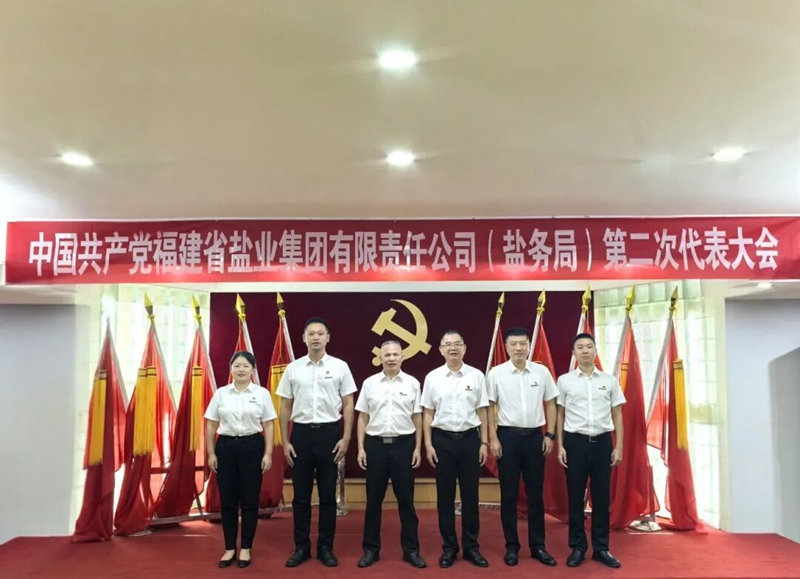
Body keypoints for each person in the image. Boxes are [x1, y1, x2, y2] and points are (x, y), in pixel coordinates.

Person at [277, 317, 357, 568]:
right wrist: (285, 440)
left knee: (327, 496)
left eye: (320, 333)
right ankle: (301, 547)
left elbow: (348, 404)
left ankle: (325, 547)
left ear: (327, 338)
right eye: (311, 333)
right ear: (304, 338)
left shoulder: (340, 367)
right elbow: (285, 405)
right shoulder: (293, 368)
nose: (315, 337)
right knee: (300, 495)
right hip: (300, 435)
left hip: (329, 435)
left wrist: (346, 437)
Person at [487, 327, 558, 567]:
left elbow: (551, 404)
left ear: (529, 345)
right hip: (507, 438)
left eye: (522, 343)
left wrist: (550, 435)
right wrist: (493, 438)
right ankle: (512, 546)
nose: (518, 348)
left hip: (535, 438)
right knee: (508, 495)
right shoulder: (496, 373)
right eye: (513, 344)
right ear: (506, 347)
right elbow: (488, 408)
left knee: (536, 494)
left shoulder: (541, 372)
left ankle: (538, 546)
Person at [421, 330, 490, 569]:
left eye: (457, 344)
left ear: (464, 348)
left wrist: (484, 443)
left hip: (470, 440)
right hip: (442, 441)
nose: (453, 348)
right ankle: (449, 548)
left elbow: (483, 411)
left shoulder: (476, 375)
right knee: (445, 497)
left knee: (471, 497)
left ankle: (471, 548)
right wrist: (428, 444)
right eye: (448, 344)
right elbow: (427, 413)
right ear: (441, 350)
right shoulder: (432, 377)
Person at [355, 340, 427, 569]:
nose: (392, 358)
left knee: (406, 501)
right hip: (375, 446)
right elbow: (362, 417)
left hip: (403, 446)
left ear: (402, 357)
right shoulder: (369, 383)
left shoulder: (413, 383)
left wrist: (417, 448)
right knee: (373, 500)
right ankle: (371, 549)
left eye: (396, 354)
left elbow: (418, 417)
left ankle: (411, 550)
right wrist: (361, 448)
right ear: (380, 358)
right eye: (387, 355)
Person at [556, 333, 625, 569]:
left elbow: (617, 414)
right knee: (575, 497)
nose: (585, 350)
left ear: (595, 351)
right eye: (580, 347)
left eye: (589, 346)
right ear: (573, 353)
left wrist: (618, 446)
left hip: (603, 443)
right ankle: (578, 547)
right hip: (575, 443)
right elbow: (560, 414)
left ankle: (601, 548)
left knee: (601, 497)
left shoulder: (609, 380)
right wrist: (560, 445)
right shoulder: (564, 381)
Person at [205, 351, 276, 569]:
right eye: (237, 366)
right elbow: (211, 425)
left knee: (249, 501)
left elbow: (269, 424)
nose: (241, 369)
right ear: (231, 369)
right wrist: (211, 453)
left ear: (252, 369)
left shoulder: (262, 394)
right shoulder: (221, 393)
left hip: (252, 447)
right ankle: (229, 548)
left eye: (245, 366)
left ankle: (246, 547)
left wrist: (268, 453)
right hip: (225, 448)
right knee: (227, 501)